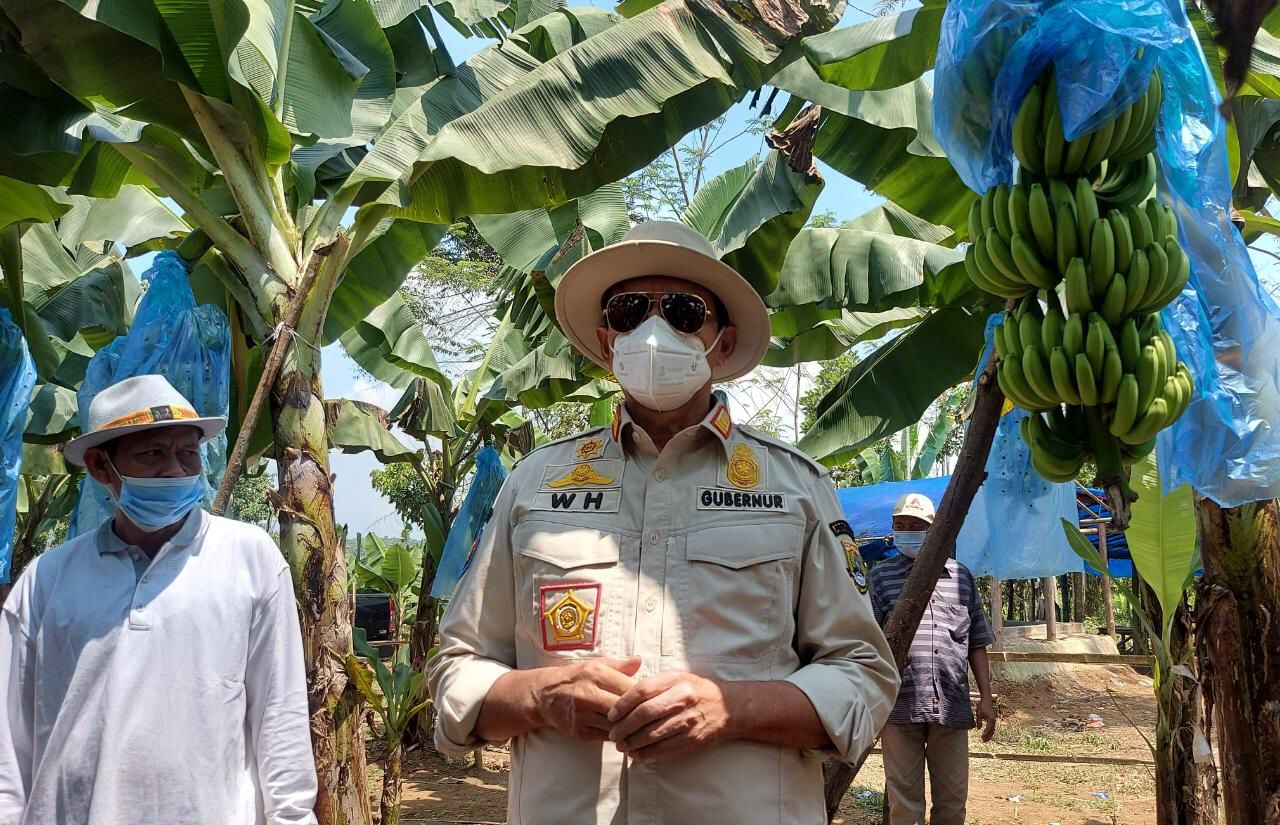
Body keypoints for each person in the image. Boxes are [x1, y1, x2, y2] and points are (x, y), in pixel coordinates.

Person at [428, 221, 900, 824]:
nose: (653, 331)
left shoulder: (795, 487)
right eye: (629, 312)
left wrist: (735, 707)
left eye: (682, 311)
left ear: (722, 345)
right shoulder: (534, 485)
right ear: (606, 342)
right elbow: (455, 668)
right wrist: (543, 697)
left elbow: (863, 674)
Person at [0, 375, 317, 825]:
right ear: (99, 466)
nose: (175, 470)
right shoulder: (47, 580)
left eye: (187, 453)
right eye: (152, 454)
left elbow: (279, 714)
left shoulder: (250, 558)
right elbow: (8, 743)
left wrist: (293, 817)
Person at [868, 492, 996, 825]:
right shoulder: (880, 578)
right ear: (893, 528)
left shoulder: (960, 578)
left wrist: (986, 698)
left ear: (934, 529)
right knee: (904, 805)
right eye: (901, 525)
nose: (907, 530)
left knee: (952, 802)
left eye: (916, 525)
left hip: (951, 706)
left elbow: (977, 641)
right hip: (898, 706)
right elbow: (867, 644)